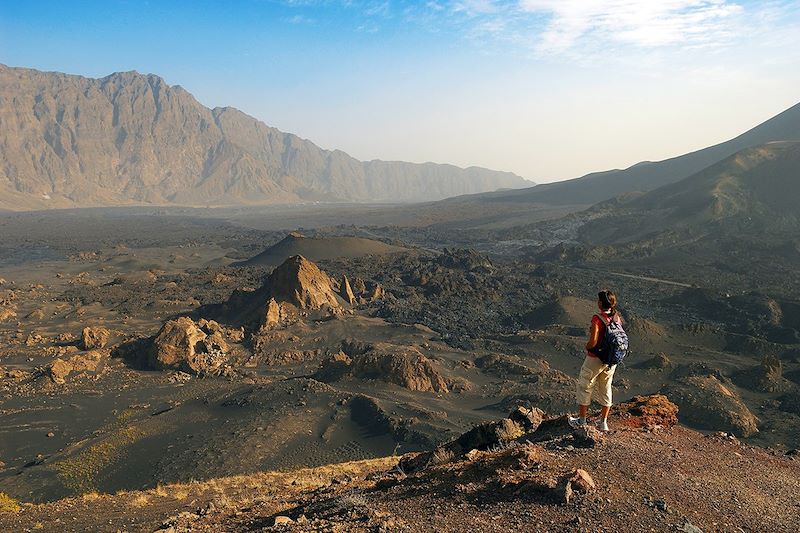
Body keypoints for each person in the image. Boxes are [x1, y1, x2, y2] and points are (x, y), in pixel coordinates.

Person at [569, 290, 622, 432]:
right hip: (612, 360)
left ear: (600, 303)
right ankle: (603, 423)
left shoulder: (598, 318)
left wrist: (587, 347)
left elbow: (593, 342)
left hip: (596, 359)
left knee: (585, 385)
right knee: (606, 387)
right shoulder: (617, 317)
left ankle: (581, 420)